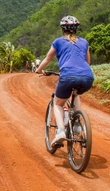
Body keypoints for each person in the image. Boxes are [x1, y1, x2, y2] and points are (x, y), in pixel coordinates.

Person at [35, 15, 94, 146]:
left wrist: (39, 70)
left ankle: (61, 131)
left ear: (63, 29)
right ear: (76, 29)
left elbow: (47, 58)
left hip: (68, 76)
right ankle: (78, 124)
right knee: (76, 93)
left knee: (58, 103)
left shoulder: (58, 42)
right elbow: (87, 62)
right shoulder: (84, 42)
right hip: (87, 77)